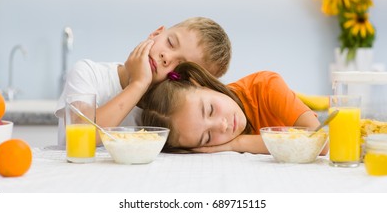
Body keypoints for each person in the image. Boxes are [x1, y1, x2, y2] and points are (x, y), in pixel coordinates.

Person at [55, 17, 232, 146]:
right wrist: (138, 84)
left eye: (181, 65)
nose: (166, 57)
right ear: (156, 33)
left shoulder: (165, 118)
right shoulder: (88, 72)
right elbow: (83, 135)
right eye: (170, 43)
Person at [141, 62, 328, 155]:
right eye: (207, 137)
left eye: (211, 110)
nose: (222, 126)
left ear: (199, 83)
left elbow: (319, 143)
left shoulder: (266, 86)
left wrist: (235, 144)